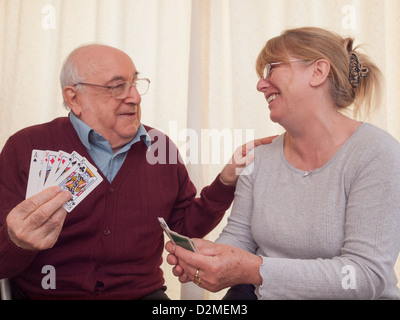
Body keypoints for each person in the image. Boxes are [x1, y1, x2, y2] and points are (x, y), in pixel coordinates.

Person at [0, 44, 273, 300]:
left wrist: (224, 183)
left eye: (134, 83)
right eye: (118, 87)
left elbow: (183, 231)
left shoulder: (161, 148)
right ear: (75, 98)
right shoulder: (26, 147)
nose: (134, 97)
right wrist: (17, 241)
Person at [166, 27, 400, 300]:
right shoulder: (260, 157)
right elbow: (239, 239)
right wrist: (209, 260)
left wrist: (257, 270)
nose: (260, 84)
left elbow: (363, 276)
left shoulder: (377, 153)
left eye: (271, 68)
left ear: (318, 72)